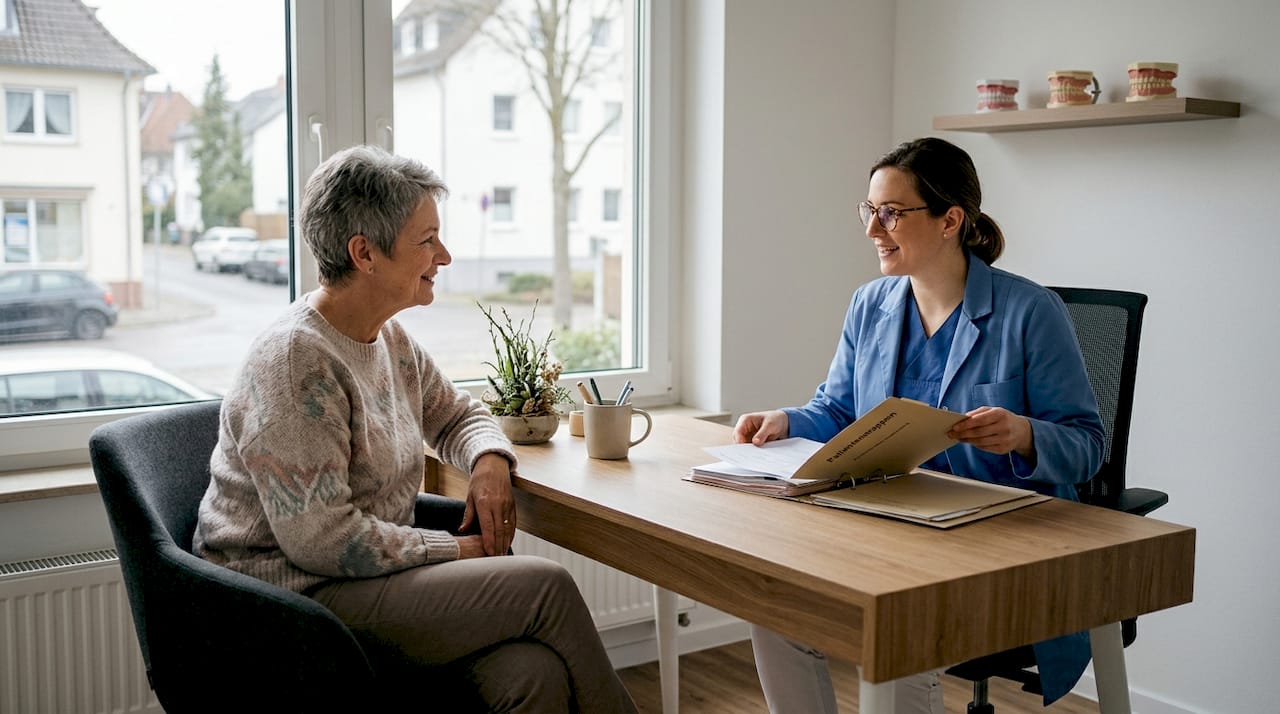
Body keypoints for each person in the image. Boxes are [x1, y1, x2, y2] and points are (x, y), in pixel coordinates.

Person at [194, 145, 638, 713]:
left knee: (532, 673)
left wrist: (490, 462)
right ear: (365, 254)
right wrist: (455, 550)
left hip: (359, 583)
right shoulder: (296, 363)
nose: (445, 255)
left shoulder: (387, 340)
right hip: (287, 606)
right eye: (426, 240)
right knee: (544, 587)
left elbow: (459, 414)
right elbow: (324, 541)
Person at [735, 137, 1105, 714]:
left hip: (1001, 545)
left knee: (892, 635)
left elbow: (1088, 446)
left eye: (891, 213)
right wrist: (783, 420)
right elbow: (839, 412)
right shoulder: (870, 304)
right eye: (869, 211)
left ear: (949, 220)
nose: (872, 229)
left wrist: (1024, 434)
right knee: (777, 612)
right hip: (892, 529)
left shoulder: (1031, 311)